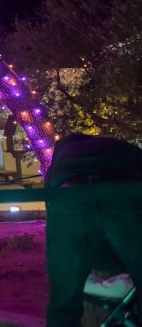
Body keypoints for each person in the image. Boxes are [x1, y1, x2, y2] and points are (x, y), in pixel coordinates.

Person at [44, 133, 142, 327]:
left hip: (69, 195)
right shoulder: (126, 149)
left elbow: (51, 201)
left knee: (63, 306)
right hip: (123, 191)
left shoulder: (62, 155)